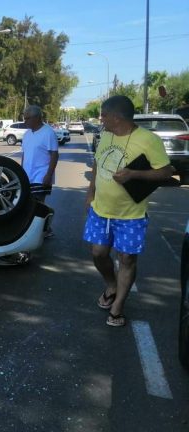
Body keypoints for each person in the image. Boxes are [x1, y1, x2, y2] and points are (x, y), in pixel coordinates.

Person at [83, 95, 174, 327]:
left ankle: (118, 307)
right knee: (98, 253)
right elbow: (97, 164)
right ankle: (111, 285)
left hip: (131, 215)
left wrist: (134, 174)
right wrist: (90, 192)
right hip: (100, 210)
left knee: (127, 259)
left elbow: (166, 171)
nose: (101, 119)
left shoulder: (149, 140)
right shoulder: (106, 135)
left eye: (104, 115)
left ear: (117, 117)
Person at [20, 105, 59, 237]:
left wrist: (49, 175)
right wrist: (21, 171)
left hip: (42, 174)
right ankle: (46, 228)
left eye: (27, 118)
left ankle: (39, 231)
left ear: (37, 118)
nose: (25, 121)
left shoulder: (48, 133)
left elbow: (54, 155)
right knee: (30, 203)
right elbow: (24, 154)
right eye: (24, 118)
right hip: (27, 174)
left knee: (37, 203)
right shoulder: (27, 134)